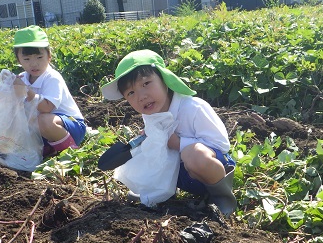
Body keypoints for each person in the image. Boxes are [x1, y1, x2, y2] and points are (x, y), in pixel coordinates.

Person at [101, 49, 237, 215]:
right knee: (147, 153)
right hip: (184, 175)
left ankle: (222, 199)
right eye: (131, 93)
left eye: (146, 84)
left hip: (213, 170)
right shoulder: (151, 114)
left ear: (164, 80)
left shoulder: (193, 108)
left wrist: (179, 143)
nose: (141, 96)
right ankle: (155, 194)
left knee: (194, 155)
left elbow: (221, 144)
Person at [12, 25, 86, 156]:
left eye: (39, 57)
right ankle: (49, 148)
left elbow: (47, 107)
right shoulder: (22, 78)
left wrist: (25, 90)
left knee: (44, 121)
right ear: (19, 60)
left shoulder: (52, 77)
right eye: (27, 59)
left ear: (49, 56)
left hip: (70, 126)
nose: (34, 64)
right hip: (41, 130)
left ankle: (71, 150)